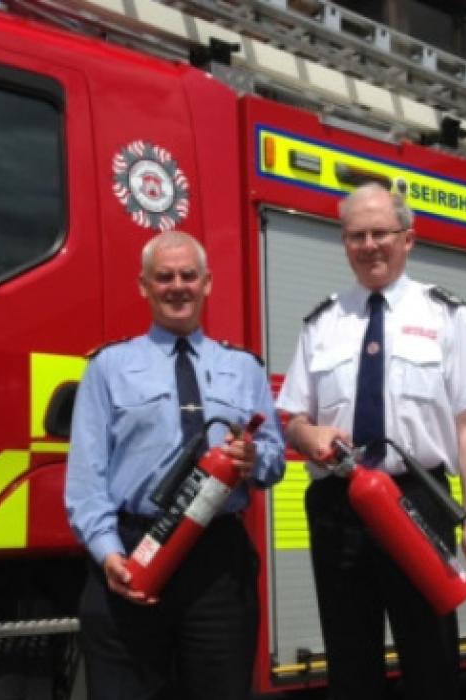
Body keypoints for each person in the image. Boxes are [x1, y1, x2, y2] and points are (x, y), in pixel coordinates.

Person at [276, 182, 466, 700]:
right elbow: (292, 418)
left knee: (431, 659)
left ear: (408, 239)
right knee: (349, 660)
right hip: (339, 504)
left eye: (381, 232)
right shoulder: (323, 323)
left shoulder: (445, 314)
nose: (369, 244)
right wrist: (307, 434)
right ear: (344, 243)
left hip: (417, 498)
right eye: (356, 235)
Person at [65, 230, 286, 700]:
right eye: (163, 277)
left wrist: (254, 459)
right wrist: (108, 554)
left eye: (188, 275)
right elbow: (87, 480)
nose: (177, 286)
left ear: (207, 283)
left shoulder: (244, 367)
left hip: (217, 561)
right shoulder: (108, 367)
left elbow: (275, 459)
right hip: (134, 551)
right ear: (143, 286)